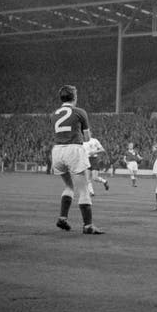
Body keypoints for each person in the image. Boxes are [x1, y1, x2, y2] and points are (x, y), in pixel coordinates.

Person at [50, 85, 104, 234]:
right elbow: (87, 138)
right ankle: (88, 226)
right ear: (74, 96)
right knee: (84, 189)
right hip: (73, 150)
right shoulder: (80, 112)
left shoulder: (53, 114)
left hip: (57, 151)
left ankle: (63, 218)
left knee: (69, 187)